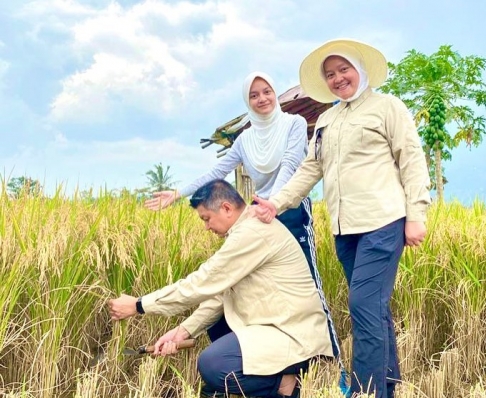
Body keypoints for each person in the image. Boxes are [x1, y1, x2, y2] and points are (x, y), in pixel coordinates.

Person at [252, 39, 431, 398]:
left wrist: (417, 215)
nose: (337, 78)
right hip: (344, 230)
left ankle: (367, 391)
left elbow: (411, 159)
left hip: (383, 222)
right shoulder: (327, 120)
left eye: (343, 70)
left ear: (360, 70)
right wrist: (276, 202)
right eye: (330, 74)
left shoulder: (387, 107)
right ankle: (388, 386)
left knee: (363, 305)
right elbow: (309, 169)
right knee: (373, 309)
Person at [144, 71, 342, 364]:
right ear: (247, 101)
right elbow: (216, 173)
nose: (262, 98)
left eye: (266, 92)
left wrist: (269, 206)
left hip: (287, 213)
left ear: (274, 93)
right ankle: (265, 359)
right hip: (257, 217)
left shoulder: (294, 124)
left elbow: (289, 166)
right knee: (240, 285)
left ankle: (330, 360)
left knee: (309, 290)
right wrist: (177, 193)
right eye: (254, 95)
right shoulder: (245, 139)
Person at [109, 179, 333, 398]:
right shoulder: (243, 231)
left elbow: (201, 283)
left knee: (213, 364)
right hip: (273, 324)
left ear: (226, 208)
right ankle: (262, 381)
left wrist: (139, 305)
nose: (206, 227)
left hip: (293, 334)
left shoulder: (252, 233)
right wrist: (182, 333)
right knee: (218, 323)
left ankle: (286, 384)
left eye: (206, 218)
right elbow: (219, 296)